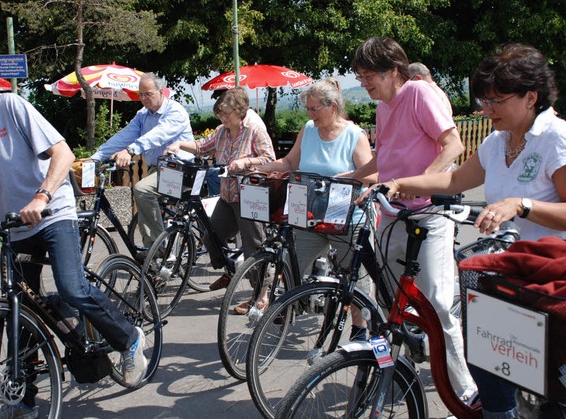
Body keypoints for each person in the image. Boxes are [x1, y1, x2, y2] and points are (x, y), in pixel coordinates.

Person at [0, 49, 147, 417]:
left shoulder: (12, 106)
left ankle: (128, 338)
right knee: (21, 309)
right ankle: (24, 396)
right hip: (12, 226)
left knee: (71, 287)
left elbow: (61, 152)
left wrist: (43, 195)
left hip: (51, 211)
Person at [364, 43, 566, 418]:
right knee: (490, 360)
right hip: (512, 275)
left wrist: (521, 205)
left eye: (496, 101)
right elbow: (455, 180)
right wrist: (397, 183)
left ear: (530, 97)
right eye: (483, 101)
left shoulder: (555, 138)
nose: (486, 110)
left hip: (551, 283)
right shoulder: (496, 141)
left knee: (551, 384)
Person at [348, 37, 476, 400]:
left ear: (393, 70)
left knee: (435, 304)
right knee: (391, 302)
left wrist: (419, 184)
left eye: (369, 75)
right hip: (392, 214)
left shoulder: (419, 94)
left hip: (429, 214)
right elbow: (381, 162)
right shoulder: (383, 107)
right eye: (359, 77)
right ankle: (393, 377)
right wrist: (349, 178)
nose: (364, 83)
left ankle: (464, 392)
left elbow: (453, 146)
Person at [254, 78, 376, 331]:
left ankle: (360, 331)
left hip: (344, 216)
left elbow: (373, 175)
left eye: (314, 108)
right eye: (307, 109)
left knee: (356, 282)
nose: (310, 114)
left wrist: (350, 176)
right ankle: (292, 306)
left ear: (332, 106)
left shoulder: (354, 135)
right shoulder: (308, 130)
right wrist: (260, 168)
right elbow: (290, 163)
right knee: (290, 264)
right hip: (309, 214)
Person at [165, 87, 276, 297]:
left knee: (254, 247)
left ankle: (262, 295)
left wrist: (246, 161)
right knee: (211, 237)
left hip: (249, 196)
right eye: (220, 113)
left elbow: (269, 159)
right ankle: (230, 269)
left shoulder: (254, 130)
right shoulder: (221, 131)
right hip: (228, 195)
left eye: (227, 113)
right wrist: (179, 144)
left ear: (240, 111)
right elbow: (201, 147)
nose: (223, 117)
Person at [91, 72, 194, 253]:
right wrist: (96, 157)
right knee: (145, 196)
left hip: (181, 169)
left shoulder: (175, 111)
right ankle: (157, 245)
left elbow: (157, 135)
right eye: (141, 95)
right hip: (160, 169)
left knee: (142, 190)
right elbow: (125, 135)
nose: (144, 98)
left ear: (161, 92)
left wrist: (131, 150)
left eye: (148, 94)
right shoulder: (142, 115)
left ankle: (158, 249)